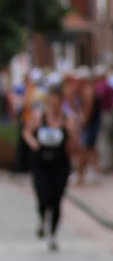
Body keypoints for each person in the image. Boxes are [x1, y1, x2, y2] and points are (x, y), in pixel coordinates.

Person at [23, 88, 71, 250]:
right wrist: (34, 144)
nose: (54, 106)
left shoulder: (67, 119)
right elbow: (27, 132)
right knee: (43, 196)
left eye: (57, 103)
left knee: (56, 199)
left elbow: (74, 142)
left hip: (59, 164)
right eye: (52, 102)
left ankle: (53, 234)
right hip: (41, 162)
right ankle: (43, 218)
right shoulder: (39, 116)